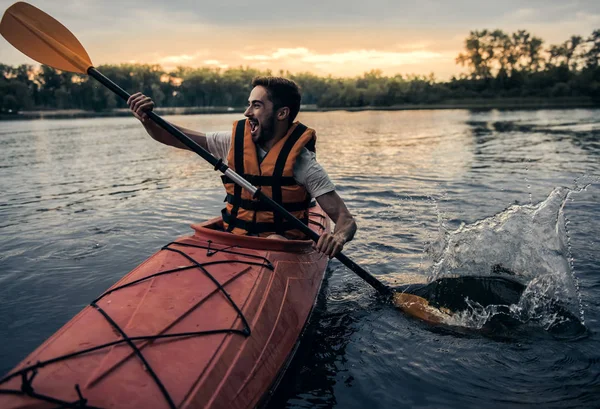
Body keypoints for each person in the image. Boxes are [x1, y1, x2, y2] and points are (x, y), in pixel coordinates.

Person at [127, 76, 356, 258]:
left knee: (274, 240)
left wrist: (337, 238)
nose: (247, 113)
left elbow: (345, 220)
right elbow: (176, 137)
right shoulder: (232, 142)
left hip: (282, 247)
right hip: (235, 239)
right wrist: (148, 119)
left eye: (256, 106)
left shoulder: (304, 164)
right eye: (249, 105)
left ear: (282, 113)